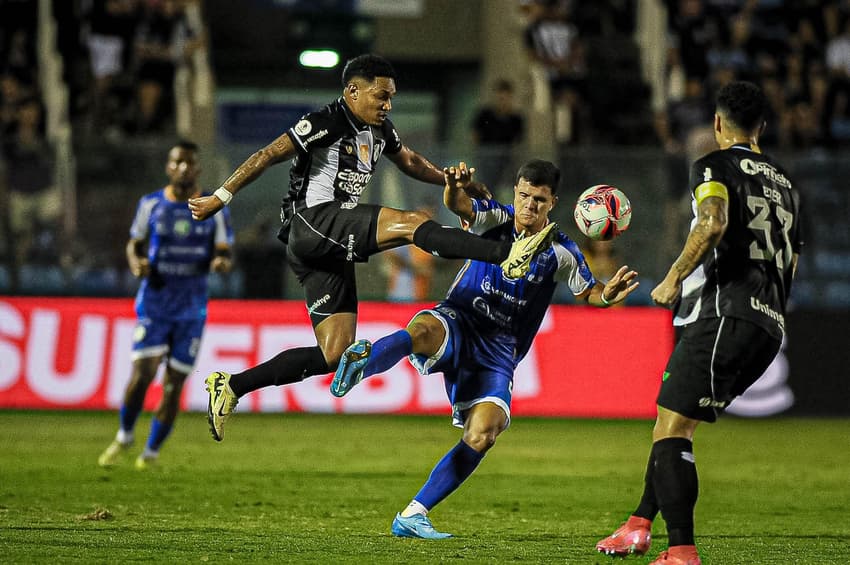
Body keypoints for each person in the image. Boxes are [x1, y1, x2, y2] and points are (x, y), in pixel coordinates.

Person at [191, 54, 558, 442]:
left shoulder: (379, 130)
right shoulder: (325, 122)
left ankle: (232, 386)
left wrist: (453, 183)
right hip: (313, 223)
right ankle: (508, 253)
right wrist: (220, 196)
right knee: (411, 223)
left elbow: (410, 161)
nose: (388, 105)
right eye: (381, 96)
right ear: (352, 91)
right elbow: (267, 154)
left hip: (328, 247)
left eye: (392, 97)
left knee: (334, 353)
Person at [330, 159, 639, 538]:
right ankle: (363, 364)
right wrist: (453, 186)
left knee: (484, 432)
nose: (529, 205)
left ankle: (413, 514)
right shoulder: (495, 218)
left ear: (553, 203)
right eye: (524, 195)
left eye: (539, 200)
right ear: (516, 192)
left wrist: (606, 295)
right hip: (461, 317)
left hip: (499, 351)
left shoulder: (562, 250)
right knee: (423, 329)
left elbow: (588, 291)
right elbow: (459, 205)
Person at [596, 81, 803, 564]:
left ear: (717, 123)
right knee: (672, 423)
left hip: (723, 314)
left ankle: (681, 551)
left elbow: (712, 221)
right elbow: (791, 262)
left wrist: (672, 278)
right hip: (768, 323)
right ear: (762, 127)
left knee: (673, 431)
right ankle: (638, 525)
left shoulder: (714, 166)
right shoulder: (787, 186)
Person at [98, 140, 233, 469]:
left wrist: (221, 262)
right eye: (177, 162)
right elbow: (135, 244)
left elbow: (224, 250)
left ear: (198, 168)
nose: (184, 168)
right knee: (143, 373)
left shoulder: (213, 208)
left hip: (191, 308)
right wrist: (136, 263)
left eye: (190, 163)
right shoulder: (151, 205)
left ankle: (151, 453)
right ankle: (125, 436)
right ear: (168, 167)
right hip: (155, 303)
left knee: (173, 386)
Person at [470, 79, 524, 192]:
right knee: (487, 188)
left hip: (506, 161)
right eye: (500, 98)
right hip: (486, 159)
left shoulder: (516, 119)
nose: (502, 102)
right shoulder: (484, 115)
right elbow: (475, 134)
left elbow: (518, 142)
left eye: (505, 98)